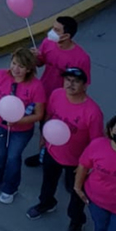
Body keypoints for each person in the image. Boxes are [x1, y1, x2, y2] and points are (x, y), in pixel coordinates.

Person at [27, 67, 104, 231]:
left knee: (76, 193)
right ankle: (46, 203)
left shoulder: (93, 112)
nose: (70, 84)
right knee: (48, 181)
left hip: (77, 163)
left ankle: (76, 222)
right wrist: (43, 137)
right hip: (52, 152)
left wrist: (86, 166)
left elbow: (96, 143)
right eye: (67, 79)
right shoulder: (56, 95)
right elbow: (49, 116)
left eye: (75, 81)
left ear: (85, 86)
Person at [26, 15, 93, 170]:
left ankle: (66, 164)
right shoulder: (48, 43)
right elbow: (41, 62)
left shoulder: (82, 58)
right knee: (44, 128)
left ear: (67, 35)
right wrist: (35, 58)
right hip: (44, 94)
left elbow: (83, 85)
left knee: (64, 132)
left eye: (56, 30)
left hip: (64, 102)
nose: (51, 32)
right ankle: (43, 154)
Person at [0, 48, 46, 204]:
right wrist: (2, 112)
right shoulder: (0, 75)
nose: (16, 69)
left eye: (21, 66)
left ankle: (10, 187)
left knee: (13, 157)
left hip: (21, 130)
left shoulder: (36, 86)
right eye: (14, 63)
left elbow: (38, 114)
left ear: (29, 68)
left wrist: (18, 120)